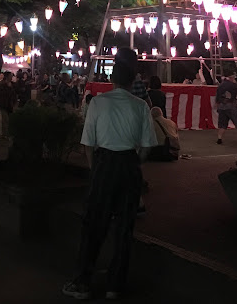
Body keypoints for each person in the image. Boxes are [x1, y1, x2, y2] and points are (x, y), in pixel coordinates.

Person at [62, 48, 157, 300]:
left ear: (112, 78)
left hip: (104, 162)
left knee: (94, 224)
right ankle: (115, 285)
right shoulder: (140, 107)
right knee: (124, 228)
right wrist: (135, 162)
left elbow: (87, 144)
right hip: (128, 164)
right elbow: (148, 145)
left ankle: (82, 282)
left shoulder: (98, 103)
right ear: (131, 80)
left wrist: (96, 170)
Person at [0, 72, 17, 140]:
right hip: (4, 104)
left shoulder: (12, 84)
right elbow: (0, 94)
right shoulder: (2, 84)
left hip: (10, 104)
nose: (12, 77)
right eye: (11, 76)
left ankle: (8, 134)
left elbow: (14, 94)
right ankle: (4, 134)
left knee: (9, 120)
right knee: (5, 120)